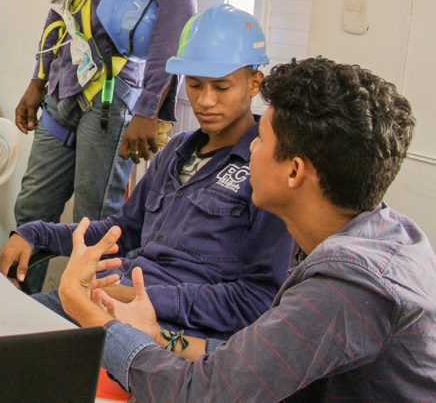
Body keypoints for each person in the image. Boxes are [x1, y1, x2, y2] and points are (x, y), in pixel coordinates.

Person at [59, 57, 436, 401]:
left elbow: (200, 395)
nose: (250, 148)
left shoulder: (347, 286)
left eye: (261, 140)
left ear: (294, 171)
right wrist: (159, 337)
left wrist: (92, 316)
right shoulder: (388, 233)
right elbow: (245, 363)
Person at [0, 5, 292, 342]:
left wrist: (140, 297)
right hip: (111, 297)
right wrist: (36, 233)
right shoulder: (177, 152)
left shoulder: (267, 167)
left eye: (221, 87)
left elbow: (255, 300)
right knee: (4, 331)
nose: (205, 101)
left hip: (167, 328)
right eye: (195, 86)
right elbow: (120, 234)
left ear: (255, 83)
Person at [12, 0, 196, 252]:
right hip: (63, 87)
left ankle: (86, 316)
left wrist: (150, 110)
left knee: (93, 225)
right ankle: (25, 309)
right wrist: (38, 78)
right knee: (31, 212)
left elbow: (177, 18)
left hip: (112, 99)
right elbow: (61, 5)